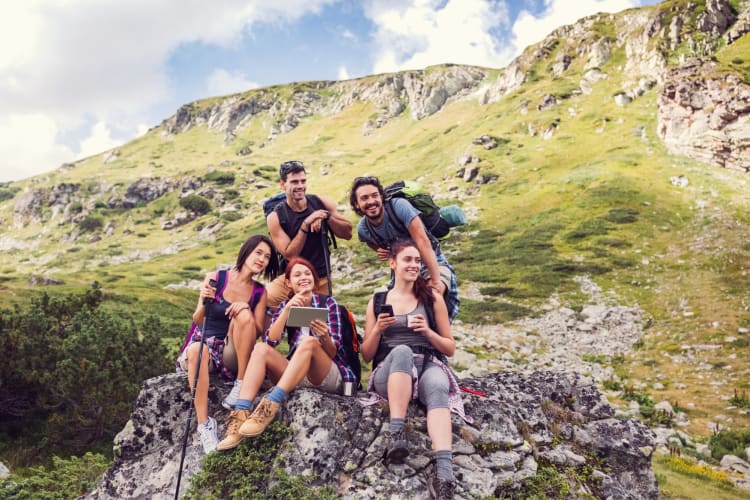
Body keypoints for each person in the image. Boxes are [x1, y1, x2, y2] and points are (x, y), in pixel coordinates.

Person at [361, 240, 470, 500]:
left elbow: (449, 347)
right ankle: (396, 432)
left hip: (426, 363)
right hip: (390, 371)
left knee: (438, 386)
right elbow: (366, 355)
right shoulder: (377, 300)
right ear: (392, 263)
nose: (414, 265)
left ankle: (444, 475)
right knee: (401, 351)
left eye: (417, 261)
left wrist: (427, 332)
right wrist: (378, 328)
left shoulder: (431, 298)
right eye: (408, 260)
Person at [216, 256, 357, 450]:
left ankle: (269, 406)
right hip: (295, 373)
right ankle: (239, 417)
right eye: (297, 275)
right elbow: (269, 342)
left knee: (308, 343)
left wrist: (324, 337)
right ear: (289, 282)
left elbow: (334, 352)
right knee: (260, 349)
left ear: (314, 280)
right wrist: (287, 309)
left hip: (326, 374)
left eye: (308, 273)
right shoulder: (285, 306)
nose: (304, 277)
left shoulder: (329, 303)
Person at [180, 235, 279, 454]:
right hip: (205, 346)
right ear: (246, 252)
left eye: (267, 257)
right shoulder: (215, 277)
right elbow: (197, 319)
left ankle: (241, 383)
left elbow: (259, 332)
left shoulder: (259, 292)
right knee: (197, 349)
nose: (262, 259)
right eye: (258, 253)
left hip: (231, 351)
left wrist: (245, 308)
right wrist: (205, 300)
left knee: (243, 314)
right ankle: (205, 425)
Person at [349, 176, 459, 322]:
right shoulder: (363, 228)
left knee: (432, 299)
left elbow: (423, 242)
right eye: (364, 198)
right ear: (357, 204)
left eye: (375, 195)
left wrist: (436, 279)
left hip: (431, 261)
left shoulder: (399, 206)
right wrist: (383, 250)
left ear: (381, 197)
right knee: (398, 309)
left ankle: (436, 338)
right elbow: (369, 241)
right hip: (401, 269)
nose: (371, 202)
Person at [265, 160, 352, 309]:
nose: (300, 186)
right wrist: (306, 224)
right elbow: (290, 254)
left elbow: (348, 232)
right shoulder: (276, 217)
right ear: (283, 184)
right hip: (292, 278)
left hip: (321, 277)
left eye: (303, 181)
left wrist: (326, 217)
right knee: (265, 299)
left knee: (317, 320)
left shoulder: (321, 203)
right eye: (294, 182)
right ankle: (276, 329)